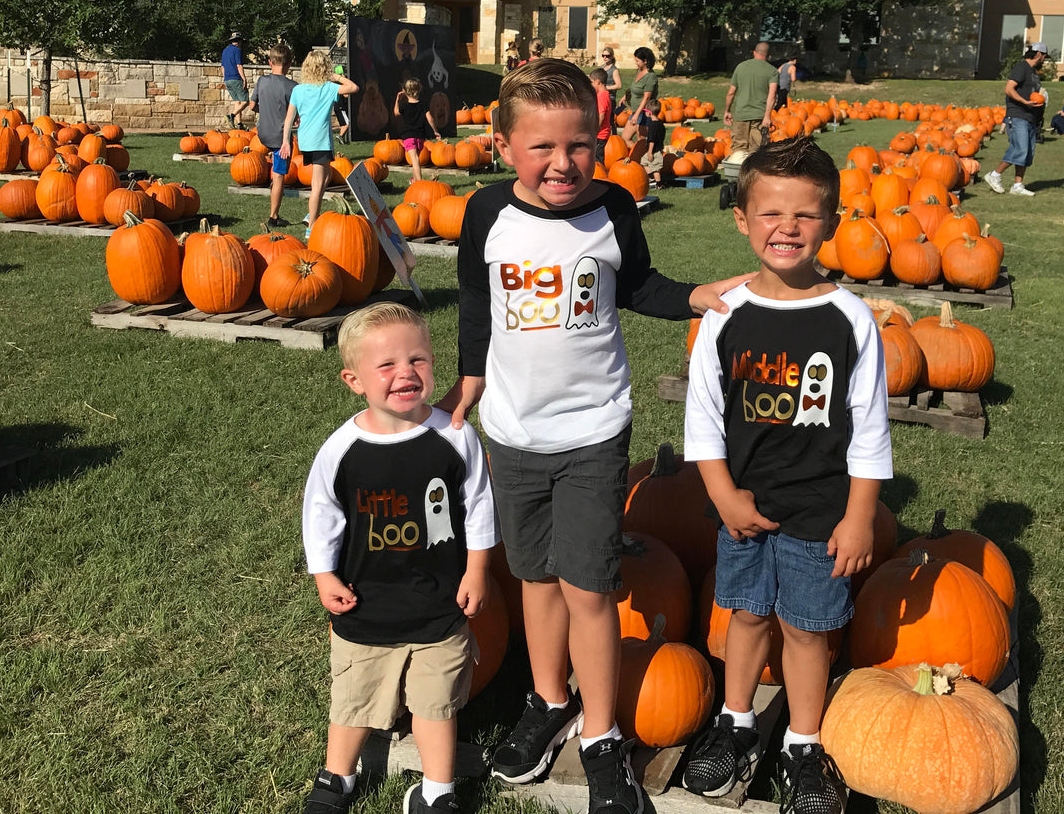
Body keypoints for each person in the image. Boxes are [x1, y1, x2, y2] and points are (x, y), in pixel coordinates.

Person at [439, 59, 748, 814]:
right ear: (503, 143)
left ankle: (602, 733)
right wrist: (469, 381)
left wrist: (694, 297)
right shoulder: (484, 214)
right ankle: (547, 702)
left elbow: (637, 284)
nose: (562, 163)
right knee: (536, 580)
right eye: (542, 147)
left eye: (579, 145)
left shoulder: (612, 208)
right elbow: (478, 305)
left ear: (599, 141)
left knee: (588, 587)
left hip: (593, 432)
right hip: (512, 433)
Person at [680, 137, 893, 814]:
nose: (786, 228)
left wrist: (859, 515)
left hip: (820, 510)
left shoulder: (849, 319)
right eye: (770, 214)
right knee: (743, 615)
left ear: (828, 223)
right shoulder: (725, 316)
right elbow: (704, 419)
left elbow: (868, 428)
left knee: (806, 628)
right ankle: (734, 722)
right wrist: (721, 494)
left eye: (803, 216)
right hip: (741, 501)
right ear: (742, 219)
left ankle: (804, 743)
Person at [300, 303, 497, 814]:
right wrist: (324, 575)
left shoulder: (454, 438)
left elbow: (478, 508)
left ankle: (437, 791)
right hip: (366, 606)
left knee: (436, 703)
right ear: (354, 380)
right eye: (386, 365)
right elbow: (322, 516)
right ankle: (336, 777)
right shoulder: (343, 449)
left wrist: (477, 569)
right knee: (354, 698)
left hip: (439, 604)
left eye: (418, 360)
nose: (405, 373)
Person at [283, 49, 357, 232]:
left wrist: (286, 141)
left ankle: (312, 213)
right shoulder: (328, 87)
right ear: (325, 68)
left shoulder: (298, 90)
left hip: (306, 141)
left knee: (325, 177)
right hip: (320, 142)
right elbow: (354, 87)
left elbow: (289, 118)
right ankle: (312, 225)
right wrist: (336, 77)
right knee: (317, 185)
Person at [985, 42, 1048, 197]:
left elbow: (1034, 94)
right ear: (1039, 54)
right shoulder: (1022, 67)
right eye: (1045, 56)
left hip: (1030, 116)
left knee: (1027, 153)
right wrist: (1024, 101)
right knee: (1020, 149)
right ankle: (994, 174)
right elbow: (1009, 88)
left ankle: (1017, 185)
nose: (1045, 59)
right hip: (1018, 114)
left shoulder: (1034, 72)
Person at [250, 42, 296, 229]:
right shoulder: (293, 87)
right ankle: (274, 216)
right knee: (278, 176)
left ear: (270, 62)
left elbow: (252, 106)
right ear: (290, 63)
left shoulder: (261, 81)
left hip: (262, 134)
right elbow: (296, 114)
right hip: (279, 139)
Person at [725, 43, 777, 160]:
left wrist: (727, 111)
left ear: (754, 52)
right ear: (768, 55)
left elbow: (731, 92)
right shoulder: (772, 71)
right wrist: (767, 116)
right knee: (757, 151)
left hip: (740, 114)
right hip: (760, 117)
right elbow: (772, 95)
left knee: (739, 150)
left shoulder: (741, 67)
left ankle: (737, 176)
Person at [395, 77, 444, 182]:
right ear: (418, 90)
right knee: (415, 158)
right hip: (420, 136)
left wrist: (398, 99)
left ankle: (419, 182)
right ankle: (414, 179)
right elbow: (430, 118)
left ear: (405, 91)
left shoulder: (404, 105)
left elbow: (396, 113)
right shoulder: (423, 105)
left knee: (414, 159)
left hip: (408, 136)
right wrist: (435, 130)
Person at [222, 31, 250, 128]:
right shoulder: (237, 50)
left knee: (237, 102)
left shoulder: (225, 51)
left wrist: (225, 78)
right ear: (238, 42)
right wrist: (244, 79)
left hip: (227, 79)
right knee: (245, 101)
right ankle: (231, 116)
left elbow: (222, 67)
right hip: (236, 78)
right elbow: (239, 65)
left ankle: (239, 124)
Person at [639, 97, 667, 188]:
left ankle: (659, 184)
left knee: (655, 169)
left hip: (654, 151)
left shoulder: (652, 125)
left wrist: (650, 152)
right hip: (658, 149)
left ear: (649, 113)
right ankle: (652, 179)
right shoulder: (660, 123)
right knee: (644, 162)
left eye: (645, 111)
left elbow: (652, 139)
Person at [589, 68, 614, 163]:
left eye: (592, 82)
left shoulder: (602, 96)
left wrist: (595, 130)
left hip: (600, 134)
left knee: (597, 159)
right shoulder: (605, 94)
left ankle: (600, 175)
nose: (591, 85)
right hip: (602, 132)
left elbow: (601, 116)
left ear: (598, 82)